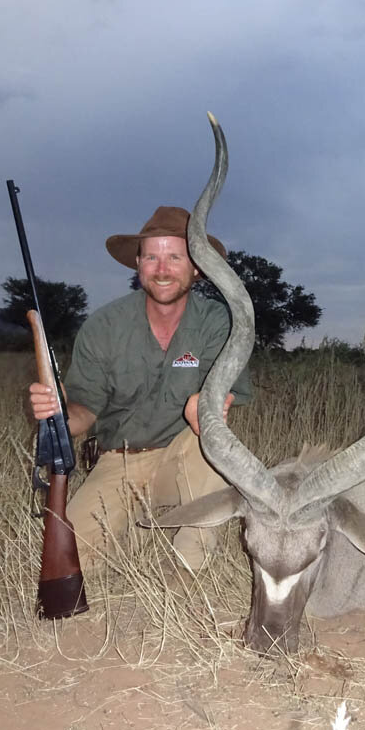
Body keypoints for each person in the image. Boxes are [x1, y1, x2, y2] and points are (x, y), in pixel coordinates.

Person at [29, 205, 253, 573]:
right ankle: (138, 529)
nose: (162, 269)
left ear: (196, 267)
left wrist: (210, 406)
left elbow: (224, 392)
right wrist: (57, 414)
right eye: (152, 256)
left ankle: (187, 568)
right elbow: (83, 414)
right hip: (120, 459)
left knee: (212, 441)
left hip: (186, 455)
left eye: (175, 257)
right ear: (138, 264)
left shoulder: (217, 322)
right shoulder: (104, 326)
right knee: (72, 563)